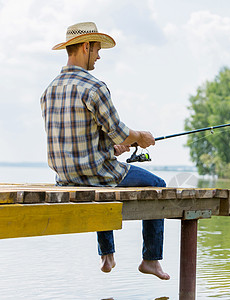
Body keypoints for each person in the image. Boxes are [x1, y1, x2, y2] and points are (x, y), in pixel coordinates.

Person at [40, 22, 170, 280]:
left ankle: (107, 254)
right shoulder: (94, 87)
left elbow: (77, 137)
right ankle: (151, 259)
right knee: (159, 186)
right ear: (86, 47)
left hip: (64, 178)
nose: (99, 57)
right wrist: (140, 137)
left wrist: (111, 147)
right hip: (97, 172)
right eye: (97, 50)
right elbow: (121, 132)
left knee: (102, 186)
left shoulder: (48, 91)